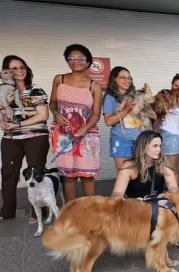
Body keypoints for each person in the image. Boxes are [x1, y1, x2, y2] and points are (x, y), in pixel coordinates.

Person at [109, 131, 179, 250]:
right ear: (143, 147)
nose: (159, 149)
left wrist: (171, 194)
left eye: (160, 146)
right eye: (155, 146)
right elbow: (117, 193)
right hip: (135, 204)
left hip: (157, 202)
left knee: (178, 201)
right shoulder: (128, 167)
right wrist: (117, 198)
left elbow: (173, 188)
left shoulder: (162, 165)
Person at [48, 44, 102, 202]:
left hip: (87, 135)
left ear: (88, 62)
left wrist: (85, 129)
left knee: (87, 176)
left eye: (80, 58)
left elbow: (96, 114)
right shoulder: (59, 79)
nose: (75, 61)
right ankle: (72, 212)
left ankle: (91, 211)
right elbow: (52, 103)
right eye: (71, 58)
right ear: (67, 61)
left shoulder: (95, 86)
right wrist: (56, 114)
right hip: (63, 135)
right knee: (69, 176)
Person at [0, 56, 49, 221]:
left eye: (22, 67)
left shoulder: (35, 90)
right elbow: (5, 116)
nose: (19, 70)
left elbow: (43, 116)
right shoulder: (4, 92)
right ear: (6, 72)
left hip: (35, 136)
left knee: (37, 172)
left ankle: (40, 213)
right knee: (8, 173)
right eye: (13, 68)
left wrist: (18, 125)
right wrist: (4, 123)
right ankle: (7, 212)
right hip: (11, 138)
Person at [103, 66, 157, 169]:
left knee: (141, 172)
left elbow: (154, 116)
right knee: (124, 172)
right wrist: (126, 109)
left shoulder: (137, 95)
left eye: (129, 78)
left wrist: (141, 107)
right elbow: (108, 121)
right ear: (114, 79)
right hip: (121, 140)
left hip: (140, 140)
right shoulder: (110, 97)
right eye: (123, 77)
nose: (127, 80)